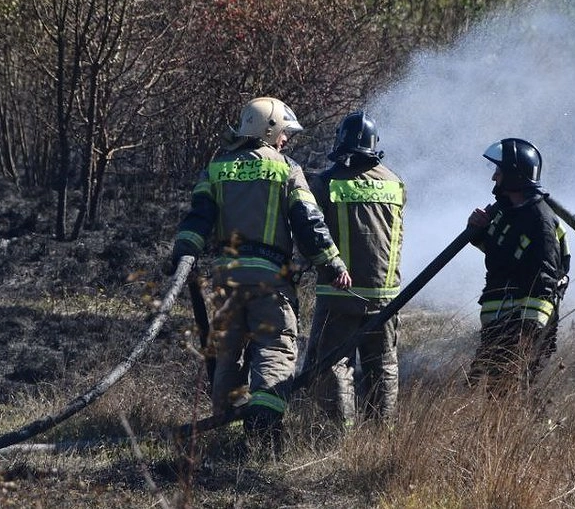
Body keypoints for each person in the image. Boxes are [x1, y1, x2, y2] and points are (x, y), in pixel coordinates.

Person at [167, 96, 352, 453]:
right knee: (275, 346)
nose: (286, 139)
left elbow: (198, 217)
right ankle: (263, 429)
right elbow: (309, 223)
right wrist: (333, 264)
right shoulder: (286, 168)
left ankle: (223, 424)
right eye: (283, 132)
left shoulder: (217, 167)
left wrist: (183, 251)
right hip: (269, 279)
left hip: (227, 279)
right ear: (269, 130)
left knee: (229, 351)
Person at [304, 111, 406, 432]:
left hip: (341, 293)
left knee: (335, 365)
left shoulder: (327, 183)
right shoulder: (394, 183)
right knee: (383, 367)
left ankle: (338, 438)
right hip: (386, 296)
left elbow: (311, 231)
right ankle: (380, 436)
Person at [466, 138, 570, 397]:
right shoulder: (505, 212)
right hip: (500, 323)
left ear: (513, 175)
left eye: (499, 172)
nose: (494, 177)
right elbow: (501, 254)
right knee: (493, 396)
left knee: (516, 395)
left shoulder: (540, 220)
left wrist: (526, 333)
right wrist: (477, 231)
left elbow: (545, 280)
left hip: (523, 327)